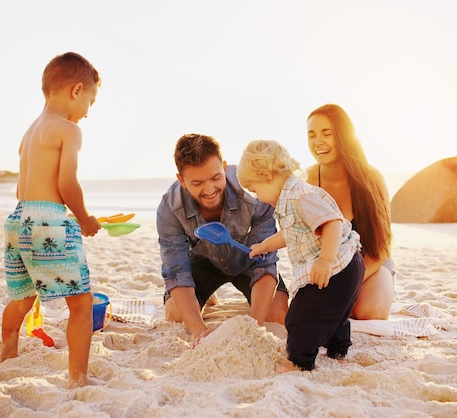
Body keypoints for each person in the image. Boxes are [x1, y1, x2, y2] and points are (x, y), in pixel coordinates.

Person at [0, 52, 102, 388]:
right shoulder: (69, 130)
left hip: (19, 220)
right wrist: (83, 218)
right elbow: (67, 182)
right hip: (48, 224)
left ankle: (7, 350)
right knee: (81, 304)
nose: (88, 111)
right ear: (76, 90)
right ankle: (78, 378)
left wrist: (53, 210)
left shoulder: (29, 134)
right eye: (90, 101)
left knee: (23, 296)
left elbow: (23, 191)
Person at [237, 139, 364, 372]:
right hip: (347, 265)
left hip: (336, 266)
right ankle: (338, 352)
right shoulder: (290, 200)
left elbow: (333, 223)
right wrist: (264, 246)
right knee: (336, 312)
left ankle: (299, 361)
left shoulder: (300, 196)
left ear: (266, 175)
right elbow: (291, 232)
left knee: (299, 317)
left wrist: (325, 260)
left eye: (255, 190)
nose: (257, 197)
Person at [156, 133, 289, 347]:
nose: (209, 190)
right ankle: (208, 296)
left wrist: (252, 327)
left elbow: (265, 263)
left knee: (277, 314)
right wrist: (200, 331)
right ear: (181, 180)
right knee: (175, 315)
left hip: (248, 258)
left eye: (215, 178)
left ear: (224, 167)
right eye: (197, 183)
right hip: (204, 262)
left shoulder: (253, 192)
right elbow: (176, 272)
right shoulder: (170, 208)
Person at [305, 104, 394, 320]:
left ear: (344, 136)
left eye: (327, 133)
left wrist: (349, 283)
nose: (318, 142)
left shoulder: (372, 179)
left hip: (370, 263)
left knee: (367, 311)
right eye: (311, 135)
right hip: (327, 270)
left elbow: (381, 247)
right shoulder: (306, 180)